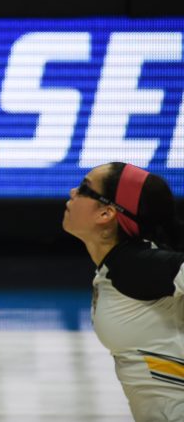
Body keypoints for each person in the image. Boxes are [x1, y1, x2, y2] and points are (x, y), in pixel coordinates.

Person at [62, 162, 184, 421]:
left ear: (106, 213)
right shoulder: (118, 265)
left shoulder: (135, 265)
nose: (73, 192)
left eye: (85, 188)